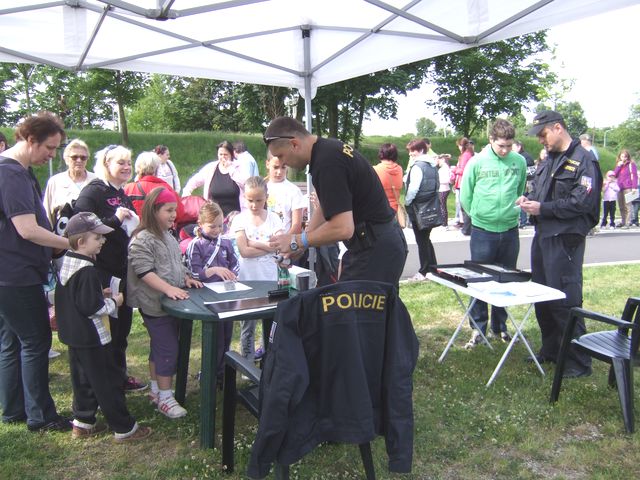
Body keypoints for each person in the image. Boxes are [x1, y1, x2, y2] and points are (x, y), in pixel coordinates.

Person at [265, 117, 407, 288]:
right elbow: (328, 205)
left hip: (374, 249)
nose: (282, 163)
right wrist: (302, 243)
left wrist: (297, 240)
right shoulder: (327, 150)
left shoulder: (327, 163)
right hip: (379, 244)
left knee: (352, 305)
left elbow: (343, 228)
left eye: (280, 156)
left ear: (294, 144)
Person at [0, 111, 71, 432]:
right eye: (50, 148)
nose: (52, 155)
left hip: (11, 272)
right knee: (36, 341)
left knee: (12, 341)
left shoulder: (18, 170)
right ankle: (41, 416)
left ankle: (14, 409)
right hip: (16, 274)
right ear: (30, 140)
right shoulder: (11, 174)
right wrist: (68, 242)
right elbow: (27, 229)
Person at [518, 110, 602, 378]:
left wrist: (543, 208)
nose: (541, 140)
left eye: (543, 134)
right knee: (542, 297)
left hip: (566, 238)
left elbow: (582, 202)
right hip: (544, 235)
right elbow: (540, 191)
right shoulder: (550, 159)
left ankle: (578, 362)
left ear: (557, 128)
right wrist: (528, 200)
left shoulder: (583, 160)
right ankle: (552, 350)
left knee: (564, 299)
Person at [55, 212, 152, 441]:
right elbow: (92, 308)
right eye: (97, 238)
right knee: (106, 382)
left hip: (74, 335)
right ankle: (124, 428)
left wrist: (98, 293)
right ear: (81, 242)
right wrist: (114, 301)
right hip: (92, 337)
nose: (103, 241)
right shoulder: (88, 271)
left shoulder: (69, 262)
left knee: (83, 380)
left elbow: (76, 297)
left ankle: (83, 422)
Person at [74, 145, 147, 393]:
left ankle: (119, 376)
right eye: (120, 163)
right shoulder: (93, 191)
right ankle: (104, 382)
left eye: (129, 162)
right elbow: (79, 226)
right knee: (106, 328)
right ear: (106, 164)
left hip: (121, 269)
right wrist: (115, 220)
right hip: (101, 271)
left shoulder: (122, 192)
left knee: (122, 327)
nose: (126, 167)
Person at [127, 187, 202, 418]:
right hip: (154, 305)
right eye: (168, 210)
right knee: (168, 349)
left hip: (172, 303)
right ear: (153, 210)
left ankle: (156, 390)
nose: (174, 215)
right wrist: (168, 288)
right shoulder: (142, 239)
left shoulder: (168, 235)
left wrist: (186, 277)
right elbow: (144, 271)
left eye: (174, 210)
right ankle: (166, 399)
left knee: (160, 347)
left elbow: (177, 263)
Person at [460, 119, 526, 348]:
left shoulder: (519, 161)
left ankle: (500, 327)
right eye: (501, 146)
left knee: (505, 280)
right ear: (491, 140)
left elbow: (520, 189)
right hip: (483, 231)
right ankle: (478, 329)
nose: (505, 150)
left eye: (509, 145)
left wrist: (512, 212)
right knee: (479, 281)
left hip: (510, 230)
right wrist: (478, 215)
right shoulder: (476, 162)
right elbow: (465, 195)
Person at [231, 176, 282, 362]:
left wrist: (253, 242)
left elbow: (279, 245)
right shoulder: (240, 220)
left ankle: (269, 362)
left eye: (259, 200)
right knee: (248, 325)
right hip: (247, 280)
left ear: (266, 197)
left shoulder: (274, 218)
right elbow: (244, 251)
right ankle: (247, 362)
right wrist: (267, 247)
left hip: (271, 279)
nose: (254, 205)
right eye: (250, 200)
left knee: (271, 324)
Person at [186, 201, 239, 382]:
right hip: (207, 295)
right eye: (212, 226)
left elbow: (234, 263)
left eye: (220, 226)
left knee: (227, 334)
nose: (217, 230)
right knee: (215, 337)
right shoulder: (196, 245)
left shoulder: (226, 242)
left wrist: (233, 275)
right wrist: (214, 271)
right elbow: (194, 272)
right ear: (200, 224)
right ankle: (209, 372)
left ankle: (222, 372)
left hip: (227, 293)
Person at [405, 139, 440, 282]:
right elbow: (436, 185)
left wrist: (407, 201)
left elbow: (413, 188)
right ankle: (432, 268)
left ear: (420, 150)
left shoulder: (417, 166)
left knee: (421, 241)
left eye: (413, 150)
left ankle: (424, 271)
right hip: (430, 206)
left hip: (419, 208)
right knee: (426, 239)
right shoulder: (432, 165)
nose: (410, 153)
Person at [183, 140, 248, 217]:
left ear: (231, 154)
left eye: (225, 155)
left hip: (235, 215)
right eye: (220, 154)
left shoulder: (238, 167)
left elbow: (245, 184)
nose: (223, 157)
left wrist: (231, 169)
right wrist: (186, 195)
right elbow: (194, 181)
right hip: (214, 216)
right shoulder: (211, 168)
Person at [42, 139, 96, 227]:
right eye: (74, 157)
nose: (79, 160)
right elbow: (47, 215)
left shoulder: (97, 181)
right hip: (63, 232)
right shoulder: (55, 181)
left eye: (83, 158)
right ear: (66, 159)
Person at [124, 151, 185, 222]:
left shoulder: (128, 188)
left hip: (134, 228)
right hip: (159, 228)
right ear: (157, 169)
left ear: (137, 168)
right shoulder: (166, 189)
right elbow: (180, 213)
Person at [265, 151, 306, 236]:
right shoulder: (262, 188)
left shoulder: (294, 191)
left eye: (283, 167)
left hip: (285, 239)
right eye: (276, 167)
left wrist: (284, 241)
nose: (279, 172)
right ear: (267, 164)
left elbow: (296, 226)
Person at [373, 143, 404, 213]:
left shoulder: (375, 169)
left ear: (381, 153)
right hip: (395, 209)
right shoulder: (399, 169)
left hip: (380, 208)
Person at [451, 137, 474, 229]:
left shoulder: (465, 155)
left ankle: (466, 226)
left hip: (462, 182)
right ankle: (465, 225)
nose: (458, 148)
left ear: (461, 146)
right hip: (464, 182)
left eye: (459, 146)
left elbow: (463, 170)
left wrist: (454, 169)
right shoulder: (469, 153)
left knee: (463, 205)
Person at [612, 149, 638, 228]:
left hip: (628, 187)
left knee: (628, 206)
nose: (623, 158)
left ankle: (627, 223)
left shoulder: (631, 164)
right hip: (620, 187)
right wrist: (618, 166)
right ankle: (623, 222)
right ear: (620, 157)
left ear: (628, 157)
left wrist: (634, 187)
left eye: (625, 157)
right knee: (621, 206)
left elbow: (634, 176)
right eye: (622, 156)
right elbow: (614, 175)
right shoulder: (618, 164)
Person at [512, 140, 535, 228]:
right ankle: (524, 221)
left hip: (528, 182)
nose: (512, 150)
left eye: (513, 147)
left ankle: (524, 221)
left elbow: (528, 171)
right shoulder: (522, 156)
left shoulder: (523, 157)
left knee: (523, 200)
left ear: (519, 147)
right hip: (526, 181)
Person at [436, 154, 452, 228]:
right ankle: (443, 222)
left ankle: (445, 224)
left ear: (442, 160)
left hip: (443, 189)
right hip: (442, 189)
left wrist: (438, 181)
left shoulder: (444, 168)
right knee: (442, 206)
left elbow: (447, 180)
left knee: (442, 206)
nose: (438, 162)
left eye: (439, 160)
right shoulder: (443, 168)